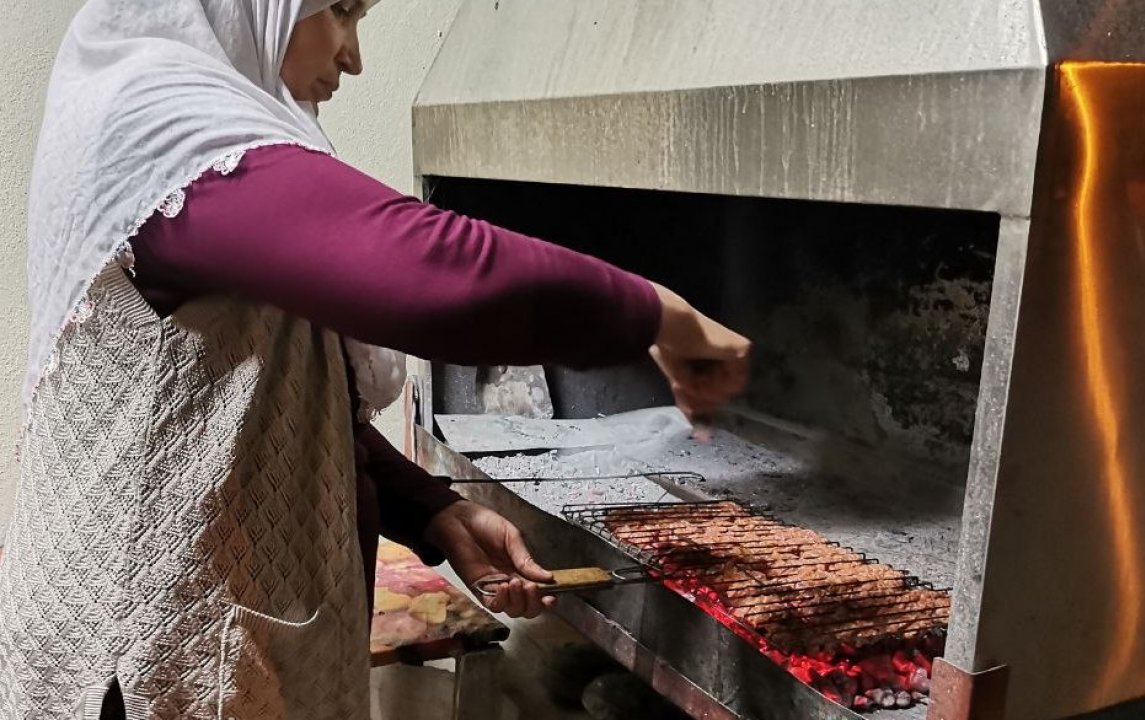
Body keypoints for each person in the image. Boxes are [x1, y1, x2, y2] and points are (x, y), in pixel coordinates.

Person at [0, 1, 751, 719]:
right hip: (145, 670)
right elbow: (440, 277)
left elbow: (263, 397)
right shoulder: (166, 132)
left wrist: (432, 509)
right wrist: (661, 315)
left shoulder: (181, 120)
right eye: (342, 10)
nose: (353, 57)